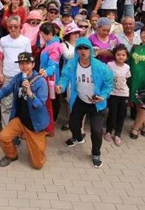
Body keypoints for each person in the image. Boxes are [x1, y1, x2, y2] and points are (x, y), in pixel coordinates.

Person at [57, 37, 113, 168]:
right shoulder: (72, 64)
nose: (83, 51)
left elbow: (109, 84)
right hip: (80, 99)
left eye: (86, 48)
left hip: (96, 104)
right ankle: (77, 137)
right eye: (80, 48)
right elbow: (64, 77)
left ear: (91, 50)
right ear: (76, 50)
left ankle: (96, 153)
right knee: (73, 123)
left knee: (96, 130)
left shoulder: (100, 66)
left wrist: (103, 96)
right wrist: (61, 86)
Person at [0, 52, 49, 169]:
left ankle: (37, 144)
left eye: (27, 63)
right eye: (22, 64)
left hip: (34, 123)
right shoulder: (18, 77)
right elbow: (7, 89)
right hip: (20, 119)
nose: (24, 66)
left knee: (37, 164)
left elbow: (40, 105)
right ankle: (11, 155)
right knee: (3, 137)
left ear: (33, 64)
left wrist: (30, 93)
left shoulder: (41, 82)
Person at [0, 16, 32, 126]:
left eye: (15, 26)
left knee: (21, 103)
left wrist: (27, 76)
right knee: (6, 104)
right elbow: (1, 58)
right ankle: (6, 130)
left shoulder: (25, 41)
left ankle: (18, 129)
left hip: (21, 76)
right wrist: (0, 73)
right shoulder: (3, 40)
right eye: (10, 27)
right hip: (7, 75)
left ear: (20, 26)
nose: (13, 29)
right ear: (7, 28)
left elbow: (28, 61)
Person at [38, 22, 63, 136]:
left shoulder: (55, 46)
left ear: (50, 34)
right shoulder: (50, 43)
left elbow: (53, 64)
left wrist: (45, 72)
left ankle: (49, 128)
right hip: (45, 77)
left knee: (47, 104)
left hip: (49, 79)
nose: (42, 36)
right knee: (47, 104)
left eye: (43, 34)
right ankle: (48, 127)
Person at [104, 45, 131, 147]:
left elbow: (127, 79)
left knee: (121, 115)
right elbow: (106, 77)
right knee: (112, 113)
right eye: (118, 54)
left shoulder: (127, 67)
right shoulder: (110, 65)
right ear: (114, 55)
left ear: (126, 57)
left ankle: (118, 134)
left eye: (123, 55)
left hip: (124, 94)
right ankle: (108, 131)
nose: (121, 57)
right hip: (112, 94)